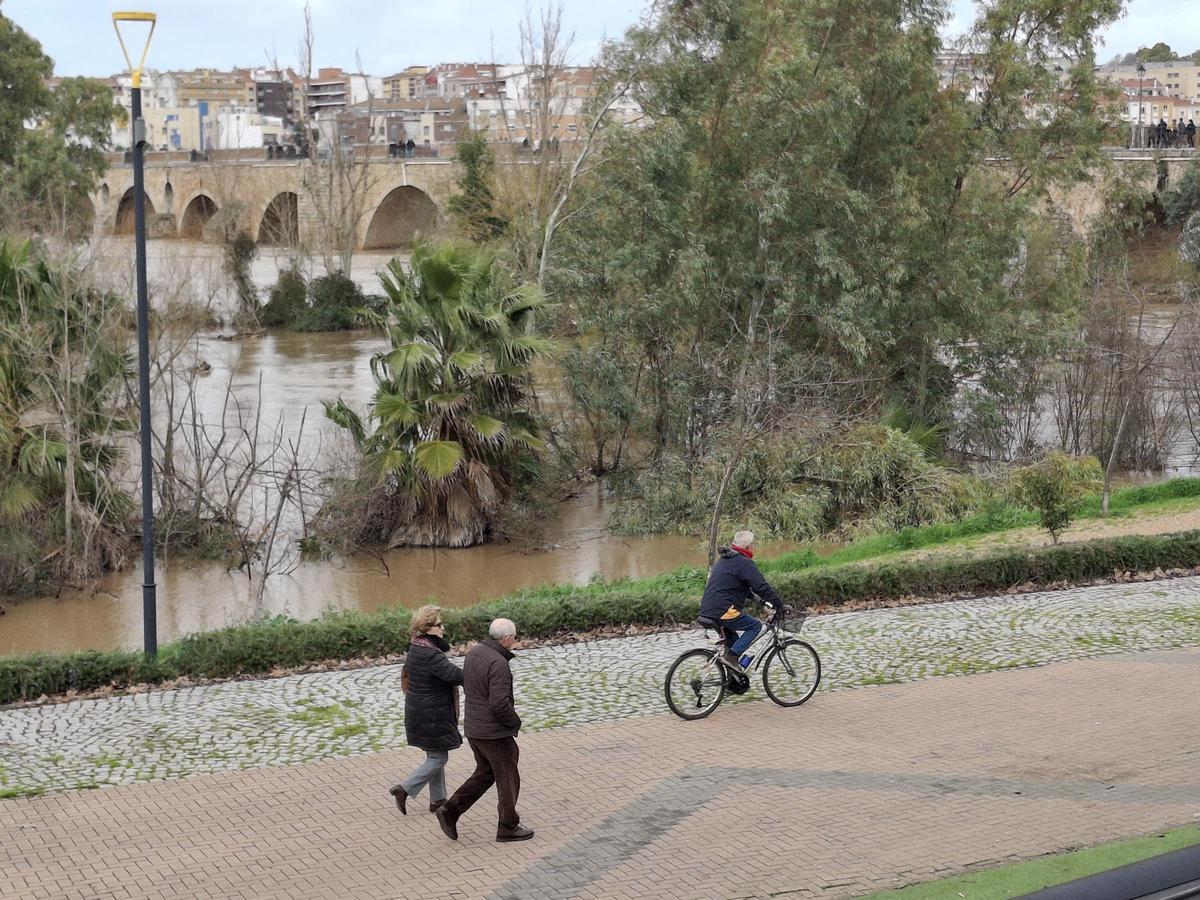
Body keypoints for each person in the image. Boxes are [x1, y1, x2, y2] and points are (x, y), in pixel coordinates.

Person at [434, 618, 533, 843]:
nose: (514, 641)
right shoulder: (498, 663)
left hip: (474, 727)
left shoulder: (475, 652)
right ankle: (508, 826)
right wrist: (514, 722)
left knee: (486, 773)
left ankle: (450, 810)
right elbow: (499, 703)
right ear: (507, 639)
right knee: (507, 777)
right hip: (493, 732)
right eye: (514, 638)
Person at [390, 605, 464, 816]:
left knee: (435, 754)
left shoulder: (416, 647)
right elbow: (455, 676)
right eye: (439, 625)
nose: (443, 628)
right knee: (438, 759)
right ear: (428, 628)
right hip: (431, 714)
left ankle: (438, 800)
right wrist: (479, 672)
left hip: (420, 712)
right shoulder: (431, 655)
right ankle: (404, 789)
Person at [698, 530, 782, 669]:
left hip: (708, 610)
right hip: (723, 611)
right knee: (755, 626)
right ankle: (731, 657)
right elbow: (761, 587)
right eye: (753, 544)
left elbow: (745, 589)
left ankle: (732, 680)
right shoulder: (744, 562)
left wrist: (761, 602)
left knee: (734, 641)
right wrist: (779, 605)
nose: (754, 547)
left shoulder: (726, 560)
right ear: (748, 547)